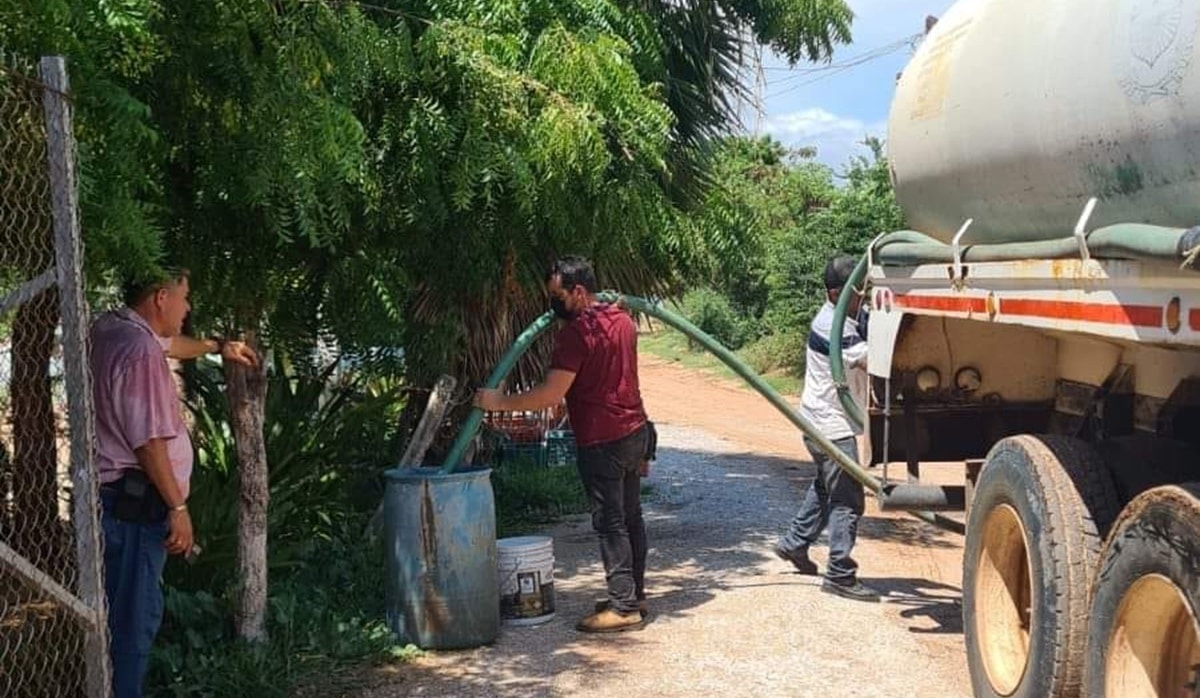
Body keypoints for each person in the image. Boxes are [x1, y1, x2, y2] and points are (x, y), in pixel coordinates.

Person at [92, 268, 258, 697]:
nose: (188, 308)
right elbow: (148, 444)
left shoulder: (112, 328)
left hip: (113, 501)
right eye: (184, 297)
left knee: (120, 613)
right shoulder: (141, 350)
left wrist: (219, 347)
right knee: (133, 622)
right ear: (161, 298)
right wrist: (178, 507)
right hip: (136, 505)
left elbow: (175, 345)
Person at [475, 256, 651, 633]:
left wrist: (497, 403)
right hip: (634, 431)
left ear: (579, 292)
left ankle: (623, 608)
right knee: (630, 516)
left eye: (558, 296)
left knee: (611, 523)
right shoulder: (622, 319)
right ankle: (633, 595)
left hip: (603, 439)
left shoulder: (577, 333)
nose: (553, 304)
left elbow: (550, 395)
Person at [774, 255, 880, 602]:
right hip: (829, 427)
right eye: (858, 291)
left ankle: (794, 543)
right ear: (837, 294)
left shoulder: (850, 318)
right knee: (847, 499)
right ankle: (839, 573)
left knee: (825, 487)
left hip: (821, 422)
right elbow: (872, 359)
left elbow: (870, 323)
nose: (863, 296)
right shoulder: (830, 326)